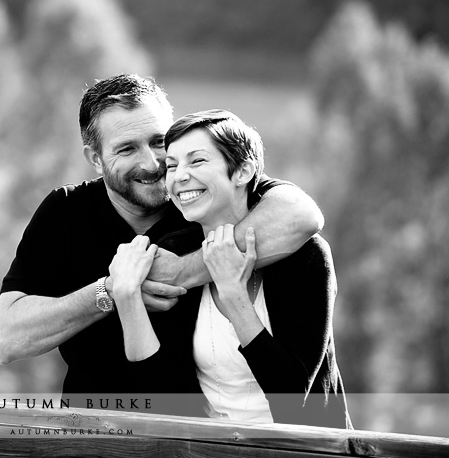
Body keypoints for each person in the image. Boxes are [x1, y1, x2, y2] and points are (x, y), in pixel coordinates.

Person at [0, 74, 324, 408]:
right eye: (126, 149)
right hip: (92, 429)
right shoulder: (66, 213)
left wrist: (182, 271)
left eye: (158, 142)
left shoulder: (200, 200)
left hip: (196, 432)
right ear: (95, 158)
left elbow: (301, 215)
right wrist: (111, 292)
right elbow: (7, 340)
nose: (152, 164)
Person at [111, 109, 351, 427]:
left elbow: (291, 392)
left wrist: (232, 291)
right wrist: (127, 298)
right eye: (172, 165)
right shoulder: (172, 252)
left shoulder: (306, 257)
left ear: (242, 172)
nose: (179, 176)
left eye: (197, 161)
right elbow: (160, 393)